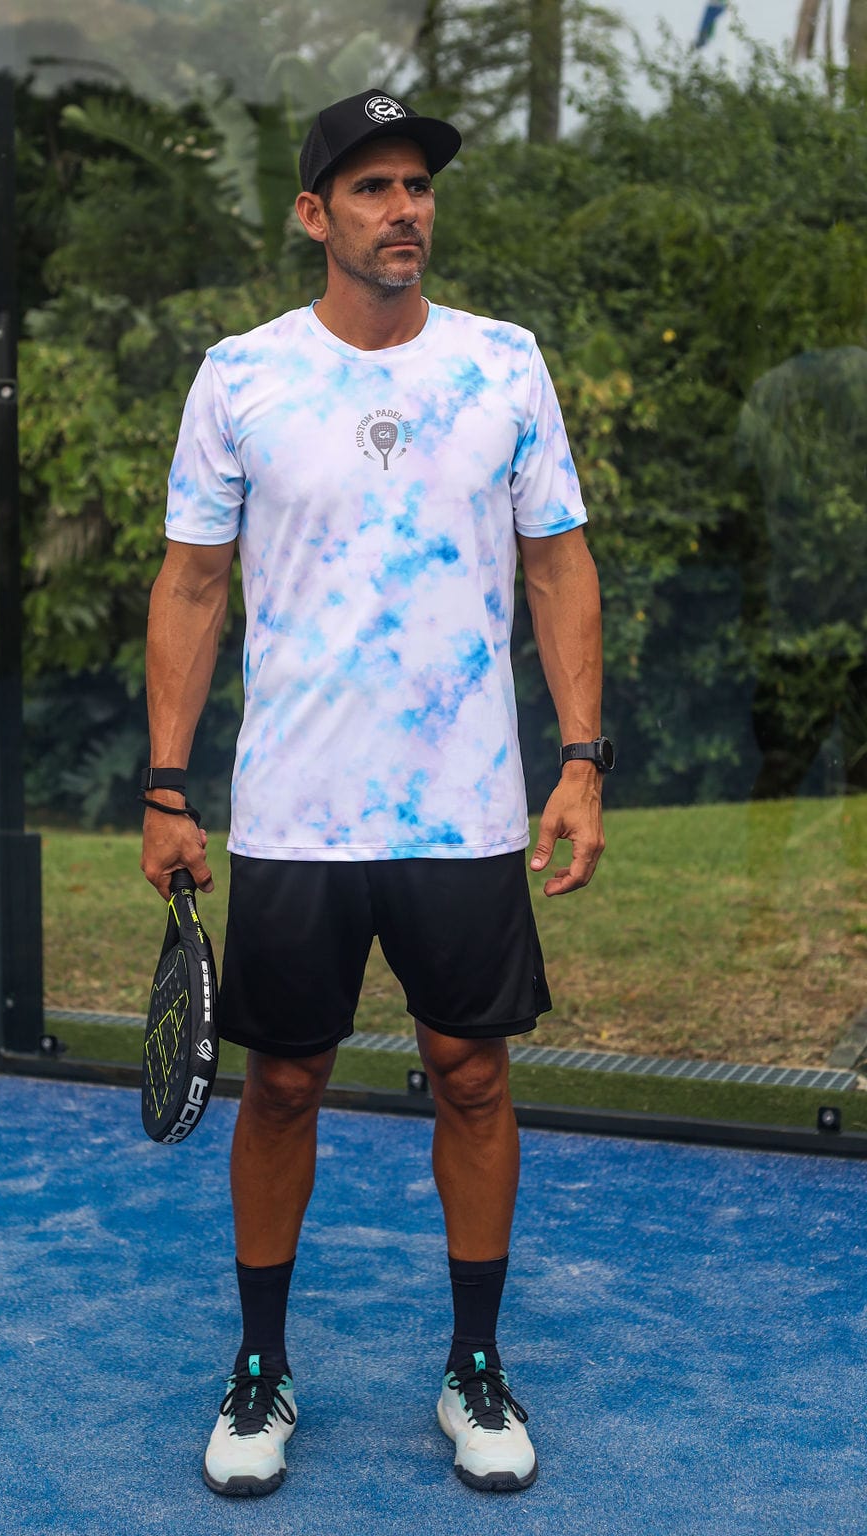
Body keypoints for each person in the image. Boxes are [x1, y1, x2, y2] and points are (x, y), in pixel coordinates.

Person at [140, 88, 610, 1498]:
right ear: (314, 214)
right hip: (296, 810)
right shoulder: (240, 376)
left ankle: (475, 1367)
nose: (404, 209)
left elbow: (559, 565)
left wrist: (581, 759)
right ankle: (261, 1369)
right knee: (283, 1082)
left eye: (418, 186)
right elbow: (191, 585)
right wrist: (166, 786)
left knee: (473, 1073)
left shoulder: (505, 363)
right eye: (372, 188)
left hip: (466, 809)